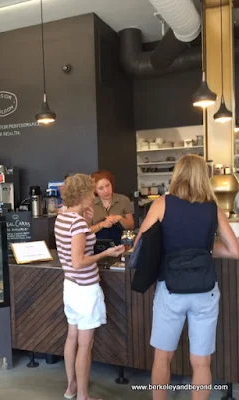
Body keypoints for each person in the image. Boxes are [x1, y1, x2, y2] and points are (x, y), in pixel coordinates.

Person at [135, 154, 239, 400]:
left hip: (171, 289)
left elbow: (141, 243)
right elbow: (235, 251)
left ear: (177, 174)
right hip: (205, 290)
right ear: (204, 175)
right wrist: (205, 248)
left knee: (163, 357)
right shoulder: (213, 208)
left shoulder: (162, 204)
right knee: (201, 362)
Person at [54, 173, 125, 400]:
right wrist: (106, 253)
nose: (94, 196)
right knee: (85, 345)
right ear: (84, 194)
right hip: (85, 288)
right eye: (92, 193)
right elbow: (78, 261)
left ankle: (71, 388)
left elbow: (80, 237)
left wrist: (94, 223)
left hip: (70, 286)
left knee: (71, 337)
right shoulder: (76, 222)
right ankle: (84, 396)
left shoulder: (63, 217)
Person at [88, 170, 134, 245]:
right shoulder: (90, 204)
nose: (106, 191)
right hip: (98, 245)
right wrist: (102, 224)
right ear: (95, 190)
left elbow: (131, 226)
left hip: (121, 243)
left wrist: (120, 218)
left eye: (108, 185)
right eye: (101, 188)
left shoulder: (124, 200)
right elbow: (86, 231)